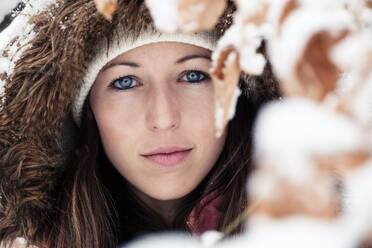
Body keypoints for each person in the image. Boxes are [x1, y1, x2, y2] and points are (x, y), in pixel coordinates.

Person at [0, 0, 280, 247]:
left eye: (194, 76)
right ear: (87, 112)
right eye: (125, 82)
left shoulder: (318, 229)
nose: (163, 118)